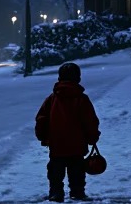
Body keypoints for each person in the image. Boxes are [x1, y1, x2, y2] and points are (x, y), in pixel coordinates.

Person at [35, 62, 101, 202]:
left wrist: (42, 136)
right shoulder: (82, 99)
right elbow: (90, 121)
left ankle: (56, 192)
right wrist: (92, 137)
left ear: (59, 78)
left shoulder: (51, 99)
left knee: (55, 171)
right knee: (77, 170)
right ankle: (77, 193)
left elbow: (41, 119)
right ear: (78, 78)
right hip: (77, 145)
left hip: (56, 144)